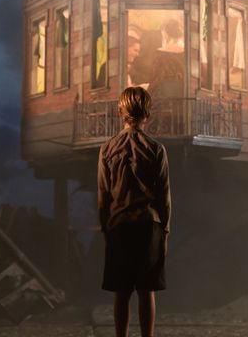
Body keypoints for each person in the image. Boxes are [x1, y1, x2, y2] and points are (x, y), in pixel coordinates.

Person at [98, 87, 171, 337]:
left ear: (121, 113)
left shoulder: (107, 149)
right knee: (146, 290)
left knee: (122, 291)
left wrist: (105, 230)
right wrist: (166, 231)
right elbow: (164, 196)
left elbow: (103, 197)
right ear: (147, 115)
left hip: (119, 225)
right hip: (148, 225)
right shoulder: (156, 149)